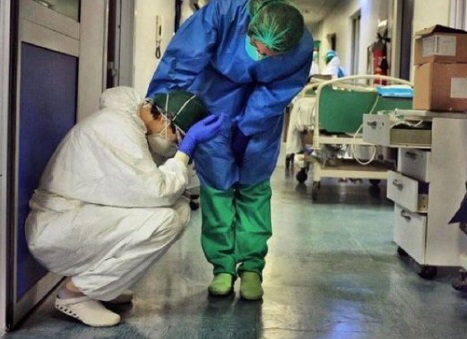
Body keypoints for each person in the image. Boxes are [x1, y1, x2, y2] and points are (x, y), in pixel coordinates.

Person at [147, 0, 313, 301]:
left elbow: (279, 90)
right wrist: (161, 107)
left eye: (270, 55)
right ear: (250, 26)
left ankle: (252, 267)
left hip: (263, 112)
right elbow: (183, 58)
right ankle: (222, 267)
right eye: (255, 46)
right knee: (217, 188)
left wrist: (249, 125)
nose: (259, 55)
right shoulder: (224, 12)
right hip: (213, 97)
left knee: (254, 188)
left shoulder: (301, 46)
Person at [25, 87, 224, 327]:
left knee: (179, 210)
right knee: (166, 220)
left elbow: (154, 190)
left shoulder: (131, 126)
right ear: (163, 118)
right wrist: (184, 152)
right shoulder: (117, 129)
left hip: (76, 215)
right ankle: (76, 294)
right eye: (178, 139)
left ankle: (101, 286)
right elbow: (157, 192)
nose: (175, 146)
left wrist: (186, 155)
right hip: (54, 227)